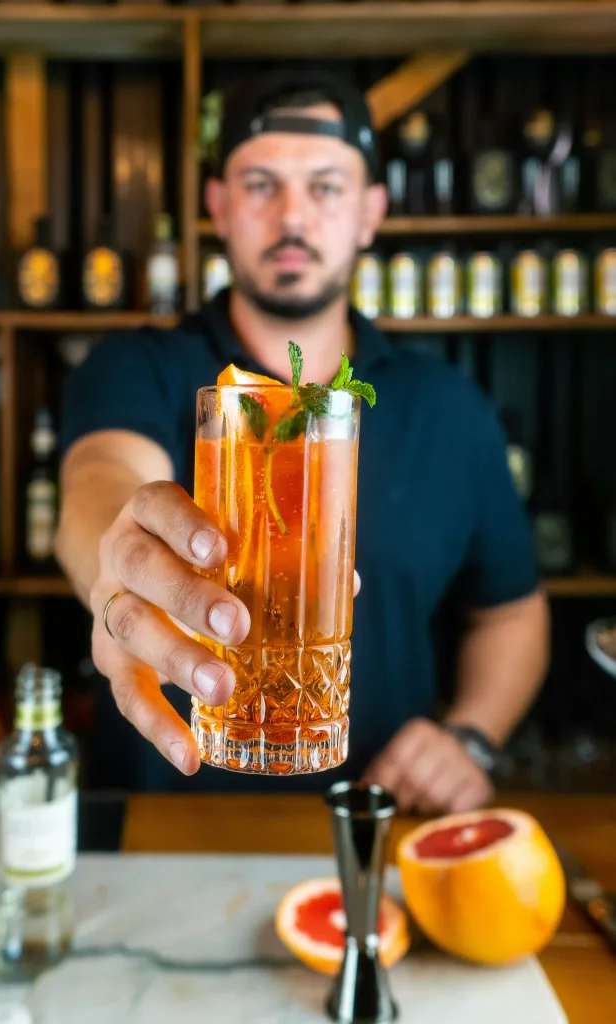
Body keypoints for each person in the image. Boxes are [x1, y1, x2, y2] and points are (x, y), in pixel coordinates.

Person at [57, 69, 549, 812]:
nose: (292, 216)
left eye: (323, 187)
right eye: (260, 185)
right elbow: (99, 479)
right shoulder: (141, 367)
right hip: (169, 827)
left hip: (376, 827)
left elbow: (511, 612)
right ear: (217, 206)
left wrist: (471, 735)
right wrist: (121, 554)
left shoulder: (449, 403)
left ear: (369, 213)